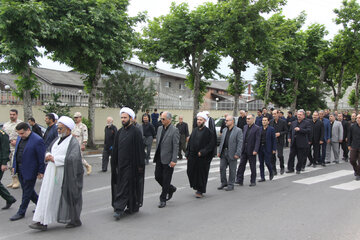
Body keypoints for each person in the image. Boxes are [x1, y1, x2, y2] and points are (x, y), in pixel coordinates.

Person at [30, 116, 84, 230]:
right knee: (46, 196)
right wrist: (47, 156)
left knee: (64, 197)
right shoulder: (57, 140)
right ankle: (42, 220)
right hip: (50, 173)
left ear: (68, 129)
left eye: (61, 129)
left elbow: (74, 158)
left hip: (63, 175)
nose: (58, 131)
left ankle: (74, 219)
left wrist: (55, 159)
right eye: (58, 128)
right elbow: (48, 149)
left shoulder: (73, 142)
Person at [111, 107, 145, 220]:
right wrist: (114, 163)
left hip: (132, 165)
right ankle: (132, 206)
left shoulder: (136, 132)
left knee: (124, 187)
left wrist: (140, 165)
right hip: (120, 165)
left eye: (125, 117)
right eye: (122, 117)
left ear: (131, 118)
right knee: (124, 186)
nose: (123, 119)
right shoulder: (120, 132)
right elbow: (115, 149)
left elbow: (140, 150)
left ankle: (119, 209)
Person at [10, 122, 45, 221]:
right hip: (20, 168)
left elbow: (41, 157)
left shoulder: (37, 140)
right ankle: (41, 205)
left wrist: (41, 171)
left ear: (28, 130)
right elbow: (16, 153)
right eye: (19, 134)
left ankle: (21, 212)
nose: (20, 136)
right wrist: (14, 166)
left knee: (26, 191)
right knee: (28, 190)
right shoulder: (20, 138)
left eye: (22, 133)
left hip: (31, 169)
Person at [186, 112, 216, 198]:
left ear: (204, 121)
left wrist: (202, 152)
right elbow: (190, 143)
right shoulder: (195, 130)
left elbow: (211, 145)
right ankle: (196, 186)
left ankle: (200, 190)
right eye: (198, 120)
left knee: (201, 174)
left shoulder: (208, 132)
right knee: (190, 171)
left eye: (200, 120)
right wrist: (187, 153)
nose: (198, 121)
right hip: (192, 156)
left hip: (202, 157)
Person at [154, 111, 179, 208]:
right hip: (159, 158)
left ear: (169, 119)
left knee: (166, 179)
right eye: (161, 118)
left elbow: (176, 146)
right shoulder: (160, 128)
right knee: (157, 176)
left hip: (168, 159)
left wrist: (174, 160)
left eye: (163, 119)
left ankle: (163, 199)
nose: (161, 120)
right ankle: (171, 188)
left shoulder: (174, 130)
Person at [218, 115, 243, 191]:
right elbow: (222, 142)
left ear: (232, 121)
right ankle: (224, 182)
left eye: (227, 120)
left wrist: (238, 153)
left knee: (232, 170)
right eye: (226, 120)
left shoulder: (238, 130)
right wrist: (219, 151)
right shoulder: (225, 130)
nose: (225, 122)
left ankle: (231, 184)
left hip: (232, 152)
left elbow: (240, 143)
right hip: (224, 152)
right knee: (222, 168)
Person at [236, 114, 261, 187]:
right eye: (247, 119)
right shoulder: (245, 127)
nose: (247, 120)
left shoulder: (257, 128)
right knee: (241, 165)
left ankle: (253, 181)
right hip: (244, 150)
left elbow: (257, 140)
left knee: (252, 166)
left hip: (252, 150)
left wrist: (256, 149)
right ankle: (239, 180)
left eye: (249, 119)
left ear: (253, 119)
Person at [286, 110, 311, 174]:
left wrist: (300, 130)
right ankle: (290, 168)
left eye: (300, 115)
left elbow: (308, 130)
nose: (299, 116)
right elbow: (290, 131)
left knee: (300, 157)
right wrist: (289, 137)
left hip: (301, 142)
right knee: (291, 156)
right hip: (293, 142)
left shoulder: (306, 123)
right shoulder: (293, 122)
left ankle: (298, 169)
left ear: (303, 116)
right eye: (298, 114)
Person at [3, 109, 22, 189]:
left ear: (17, 115)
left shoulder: (20, 124)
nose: (12, 116)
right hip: (8, 146)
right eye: (10, 114)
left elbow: (25, 135)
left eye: (13, 114)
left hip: (17, 147)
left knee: (15, 163)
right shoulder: (6, 124)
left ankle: (17, 181)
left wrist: (17, 141)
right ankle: (13, 180)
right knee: (10, 164)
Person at [0, 129, 16, 210]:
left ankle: (9, 199)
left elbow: (5, 149)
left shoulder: (2, 134)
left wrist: (3, 163)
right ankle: (9, 199)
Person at [258, 117, 276, 182]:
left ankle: (271, 172)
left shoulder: (271, 129)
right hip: (260, 147)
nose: (264, 121)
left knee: (267, 162)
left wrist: (274, 148)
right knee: (261, 163)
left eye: (265, 120)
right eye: (263, 120)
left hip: (268, 147)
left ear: (268, 122)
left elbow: (274, 139)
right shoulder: (259, 129)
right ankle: (262, 177)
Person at [269, 110, 288, 175]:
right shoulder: (271, 122)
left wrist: (280, 133)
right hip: (272, 141)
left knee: (280, 155)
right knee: (272, 156)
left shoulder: (283, 122)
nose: (274, 115)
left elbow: (286, 131)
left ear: (278, 114)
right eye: (272, 114)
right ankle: (274, 170)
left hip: (280, 141)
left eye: (275, 114)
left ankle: (282, 167)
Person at [348, 114, 360, 180]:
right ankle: (356, 170)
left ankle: (358, 174)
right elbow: (349, 136)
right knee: (352, 160)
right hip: (354, 146)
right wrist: (349, 145)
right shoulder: (353, 127)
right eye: (357, 118)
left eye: (359, 118)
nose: (358, 119)